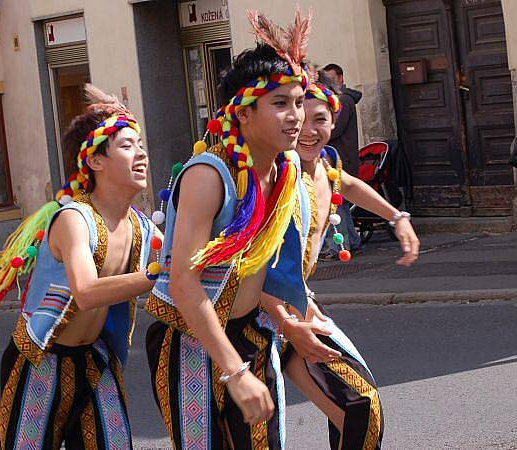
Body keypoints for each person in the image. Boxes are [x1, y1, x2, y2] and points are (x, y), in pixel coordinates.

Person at [144, 10, 313, 448]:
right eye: (280, 103)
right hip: (189, 339)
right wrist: (234, 371)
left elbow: (263, 269)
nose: (295, 115)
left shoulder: (284, 170)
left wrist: (294, 319)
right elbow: (182, 282)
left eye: (299, 102)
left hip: (251, 332)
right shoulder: (208, 175)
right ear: (242, 112)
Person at [0, 84, 160, 449]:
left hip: (94, 362)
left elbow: (179, 279)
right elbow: (87, 291)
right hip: (39, 360)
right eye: (127, 146)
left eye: (140, 145)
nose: (140, 154)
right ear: (95, 161)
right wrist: (157, 273)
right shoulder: (74, 219)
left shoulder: (142, 226)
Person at [261, 82, 420, 449]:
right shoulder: (274, 174)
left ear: (334, 123)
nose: (309, 131)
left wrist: (398, 218)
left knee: (361, 409)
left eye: (321, 120)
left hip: (297, 308)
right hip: (265, 316)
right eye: (301, 119)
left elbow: (349, 184)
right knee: (358, 408)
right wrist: (287, 320)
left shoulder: (326, 164)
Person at [320, 64, 362, 254]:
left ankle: (339, 246)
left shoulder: (343, 100)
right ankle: (351, 240)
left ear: (340, 78)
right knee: (341, 204)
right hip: (339, 159)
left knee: (334, 205)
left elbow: (333, 129)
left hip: (339, 159)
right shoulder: (338, 100)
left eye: (331, 79)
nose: (328, 83)